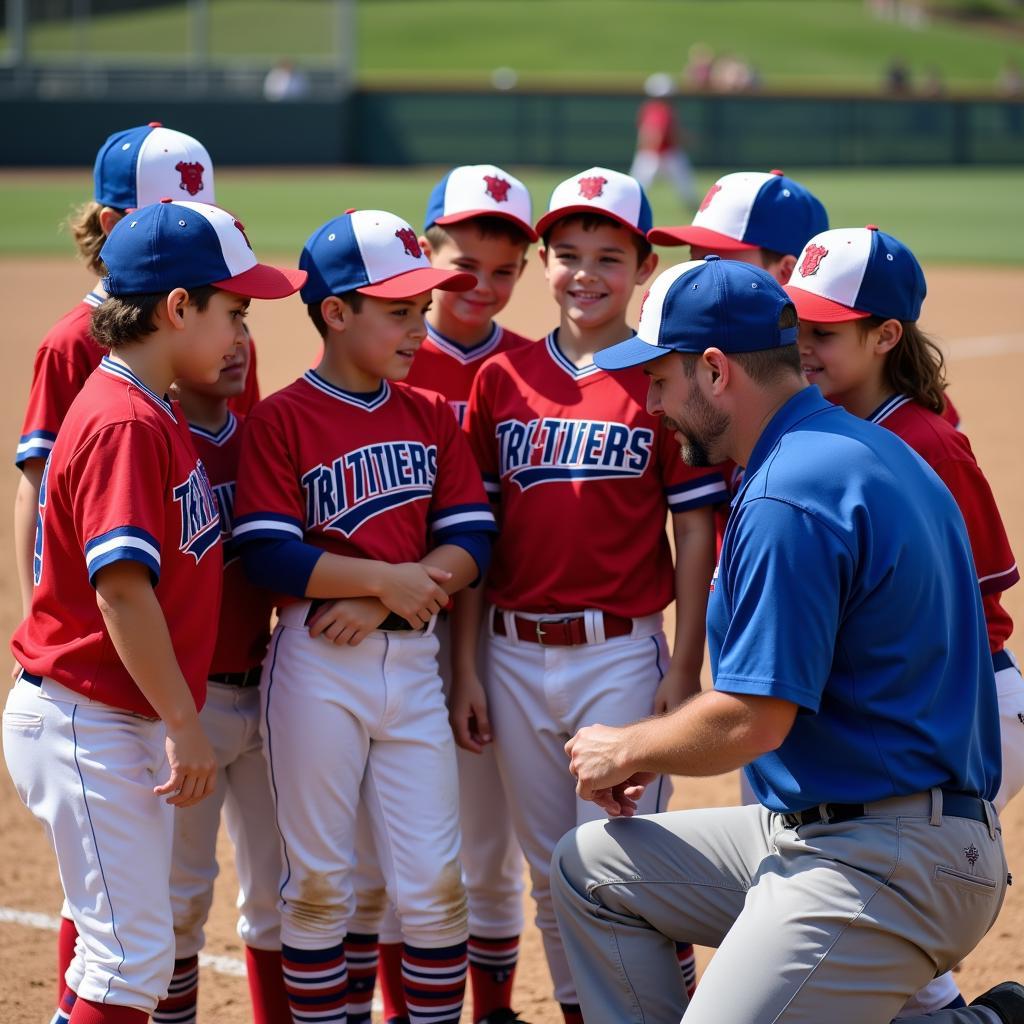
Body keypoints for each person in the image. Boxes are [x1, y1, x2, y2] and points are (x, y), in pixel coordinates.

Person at [548, 254, 1020, 1024]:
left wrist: (627, 748)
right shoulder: (859, 448)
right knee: (590, 868)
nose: (650, 403)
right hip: (858, 830)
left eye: (660, 379)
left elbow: (752, 720)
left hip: (889, 855)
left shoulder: (788, 494)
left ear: (714, 370)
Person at [3, 199, 304, 1024]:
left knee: (126, 958)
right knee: (128, 959)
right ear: (178, 308)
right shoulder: (128, 420)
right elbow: (122, 590)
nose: (243, 333)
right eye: (233, 311)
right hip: (88, 715)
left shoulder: (153, 402)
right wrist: (184, 721)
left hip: (102, 712)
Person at [456, 168, 727, 1024]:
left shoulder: (662, 380)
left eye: (609, 256)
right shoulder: (500, 380)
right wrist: (466, 666)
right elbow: (477, 541)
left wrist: (684, 669)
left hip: (619, 652)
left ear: (645, 267)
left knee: (628, 860)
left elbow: (692, 535)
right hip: (508, 648)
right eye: (566, 254)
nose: (585, 274)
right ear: (541, 263)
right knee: (549, 873)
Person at [232, 209, 496, 1024]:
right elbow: (267, 555)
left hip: (413, 666)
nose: (421, 328)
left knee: (433, 885)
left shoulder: (428, 417)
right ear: (336, 312)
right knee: (317, 884)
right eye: (400, 311)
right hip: (317, 666)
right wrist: (393, 579)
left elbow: (474, 540)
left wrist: (390, 586)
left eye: (423, 310)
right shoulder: (281, 417)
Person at [787, 224, 1024, 1015]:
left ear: (885, 336)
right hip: (922, 703)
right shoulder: (838, 426)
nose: (802, 347)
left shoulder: (924, 442)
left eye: (823, 332)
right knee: (873, 922)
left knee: (868, 897)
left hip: (966, 707)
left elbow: (983, 606)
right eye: (795, 327)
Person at [349, 165, 537, 1024]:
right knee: (395, 851)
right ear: (423, 255)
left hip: (490, 635)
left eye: (504, 271)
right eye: (462, 265)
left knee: (489, 848)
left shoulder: (528, 373)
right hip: (380, 636)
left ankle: (491, 1010)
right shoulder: (375, 359)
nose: (481, 288)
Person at [152, 331, 290, 1024]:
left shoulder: (263, 438)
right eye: (220, 324)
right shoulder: (155, 438)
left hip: (268, 690)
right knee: (179, 898)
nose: (237, 341)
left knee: (282, 895)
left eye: (245, 322)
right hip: (189, 704)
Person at [628, 73, 700, 211]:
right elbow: (657, 133)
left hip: (654, 153)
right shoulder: (662, 109)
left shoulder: (648, 107)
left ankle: (626, 208)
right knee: (638, 187)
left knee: (636, 188)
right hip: (662, 154)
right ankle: (695, 209)